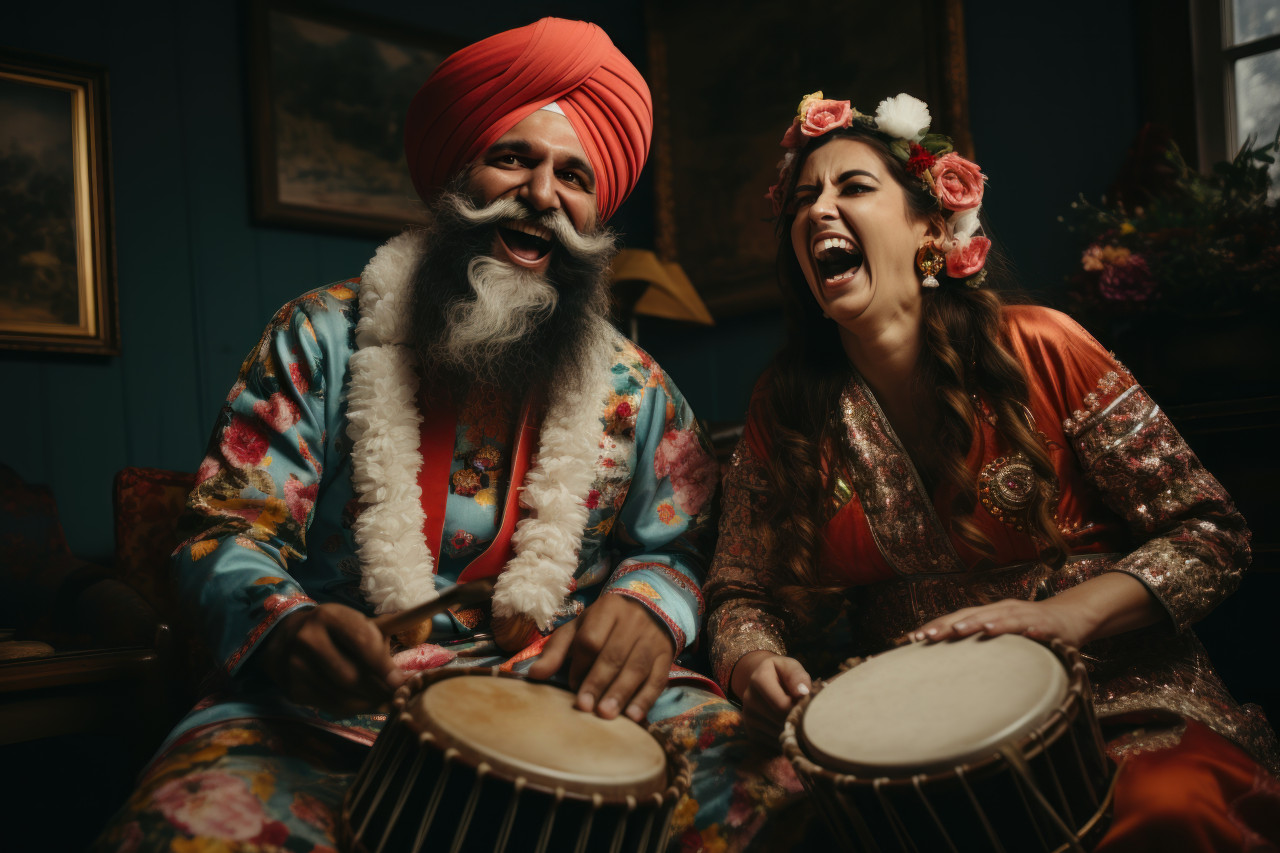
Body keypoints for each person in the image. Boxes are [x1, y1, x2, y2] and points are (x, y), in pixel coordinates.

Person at [92, 18, 729, 851]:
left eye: (573, 175)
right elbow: (225, 529)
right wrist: (287, 626)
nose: (540, 194)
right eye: (513, 157)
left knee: (756, 776)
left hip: (561, 694)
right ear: (455, 177)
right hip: (327, 708)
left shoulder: (637, 388)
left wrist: (649, 606)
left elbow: (685, 543)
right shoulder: (318, 335)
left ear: (596, 210)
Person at [688, 91, 1280, 850]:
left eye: (853, 188)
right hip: (908, 727)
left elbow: (1212, 534)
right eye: (804, 198)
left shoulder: (1041, 346)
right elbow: (740, 588)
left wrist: (1066, 618)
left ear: (930, 227)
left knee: (1168, 809)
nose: (819, 211)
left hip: (1117, 697)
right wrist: (752, 662)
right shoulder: (784, 405)